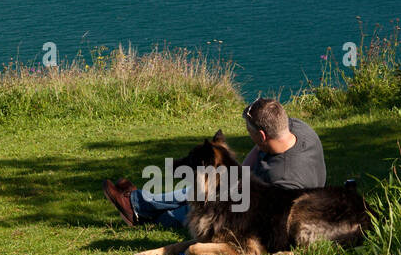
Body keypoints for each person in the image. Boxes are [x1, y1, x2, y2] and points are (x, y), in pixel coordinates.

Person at [102, 97, 326, 229]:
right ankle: (138, 203)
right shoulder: (295, 128)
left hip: (250, 207)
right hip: (248, 189)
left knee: (193, 206)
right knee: (199, 189)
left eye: (249, 131)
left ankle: (140, 212)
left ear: (261, 134)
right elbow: (258, 150)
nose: (246, 134)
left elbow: (266, 216)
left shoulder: (283, 177)